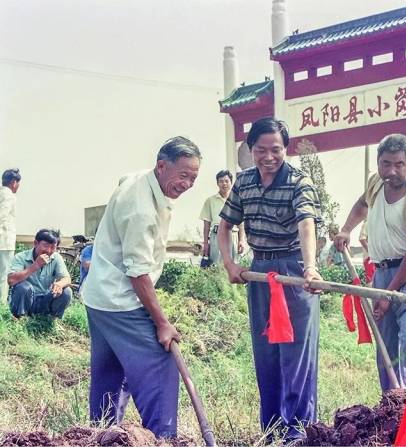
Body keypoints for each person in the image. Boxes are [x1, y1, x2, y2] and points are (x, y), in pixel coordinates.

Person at [81, 136, 201, 439]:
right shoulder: (140, 211)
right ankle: (162, 438)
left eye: (194, 178)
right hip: (120, 300)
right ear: (162, 166)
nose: (187, 183)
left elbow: (125, 178)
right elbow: (138, 273)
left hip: (99, 296)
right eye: (183, 175)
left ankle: (103, 434)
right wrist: (162, 323)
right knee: (161, 363)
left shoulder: (139, 181)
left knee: (110, 372)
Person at [218, 118, 323, 441]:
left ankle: (298, 430)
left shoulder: (298, 181)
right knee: (267, 352)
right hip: (260, 272)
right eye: (261, 150)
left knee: (296, 353)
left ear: (285, 150)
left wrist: (310, 267)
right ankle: (273, 427)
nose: (268, 157)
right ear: (250, 151)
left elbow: (307, 223)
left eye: (275, 150)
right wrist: (230, 264)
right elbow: (225, 226)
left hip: (293, 271)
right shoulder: (244, 181)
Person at [334, 133, 406, 391]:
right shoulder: (376, 184)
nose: (391, 171)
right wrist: (346, 229)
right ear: (378, 163)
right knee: (385, 347)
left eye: (399, 164)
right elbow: (361, 204)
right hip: (383, 271)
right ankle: (392, 412)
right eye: (386, 164)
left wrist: (388, 293)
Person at [7, 229, 72, 319]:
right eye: (45, 246)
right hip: (27, 300)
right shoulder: (21, 257)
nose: (49, 251)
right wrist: (35, 266)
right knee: (23, 287)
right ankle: (20, 316)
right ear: (35, 243)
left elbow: (67, 278)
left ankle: (52, 318)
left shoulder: (56, 257)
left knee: (67, 291)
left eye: (53, 247)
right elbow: (11, 280)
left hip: (45, 299)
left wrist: (60, 284)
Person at [199, 170, 246, 267]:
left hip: (233, 236)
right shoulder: (210, 201)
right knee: (216, 266)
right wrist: (205, 243)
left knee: (233, 266)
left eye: (226, 181)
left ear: (231, 182)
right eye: (221, 181)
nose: (224, 184)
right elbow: (206, 224)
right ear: (217, 183)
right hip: (216, 237)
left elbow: (241, 223)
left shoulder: (237, 200)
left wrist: (241, 240)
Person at [0, 169, 21, 302]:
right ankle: (1, 307)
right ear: (14, 182)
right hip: (4, 241)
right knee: (3, 275)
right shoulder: (9, 196)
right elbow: (2, 216)